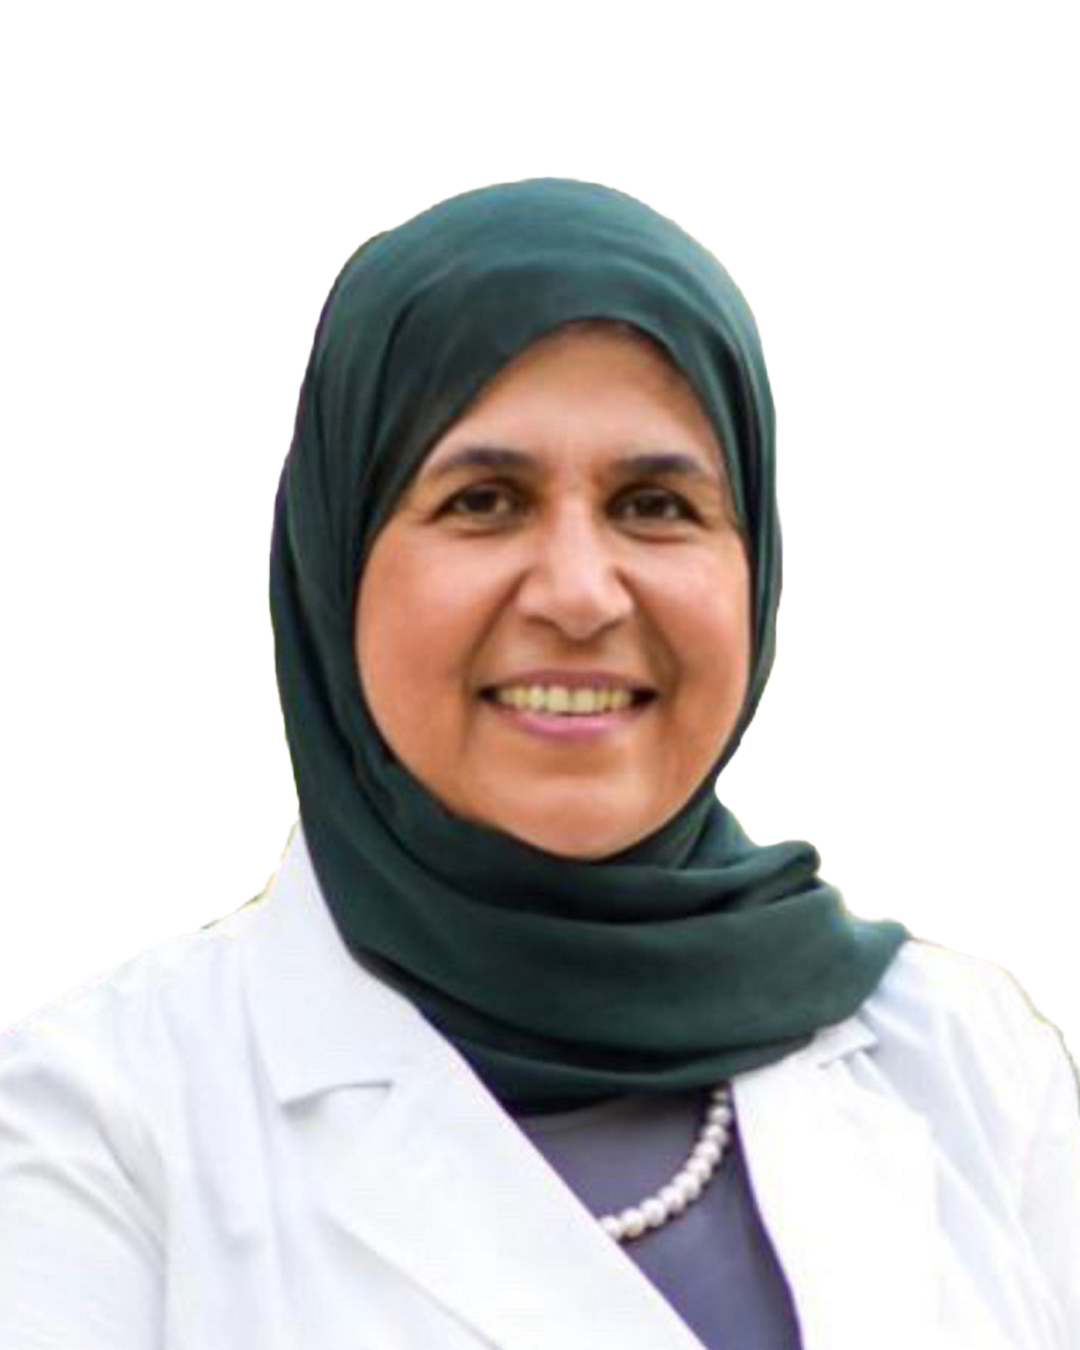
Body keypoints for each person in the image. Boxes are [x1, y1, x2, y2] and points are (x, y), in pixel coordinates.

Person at [0, 177, 1077, 1350]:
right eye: (485, 500)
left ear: (753, 565)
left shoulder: (967, 1063)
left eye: (655, 503)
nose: (577, 593)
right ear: (336, 563)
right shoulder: (103, 1124)